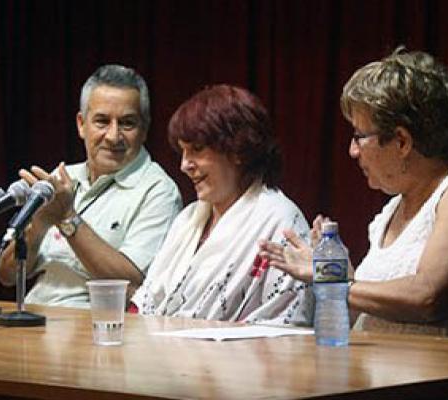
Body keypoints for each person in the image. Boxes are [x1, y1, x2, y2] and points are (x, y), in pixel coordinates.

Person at [259, 49, 448, 398]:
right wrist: (336, 273)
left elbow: (427, 297)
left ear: (402, 140)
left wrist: (335, 281)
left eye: (359, 136)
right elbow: (369, 317)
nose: (352, 151)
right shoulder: (388, 213)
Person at [0, 64, 182, 307]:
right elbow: (6, 276)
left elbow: (131, 282)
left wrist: (68, 219)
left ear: (145, 129)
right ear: (81, 125)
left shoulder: (159, 191)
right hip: (35, 318)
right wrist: (39, 224)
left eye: (127, 123)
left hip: (98, 329)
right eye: (102, 122)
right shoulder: (62, 178)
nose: (114, 136)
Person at [130, 84, 313, 325]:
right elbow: (145, 301)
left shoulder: (280, 221)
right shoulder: (188, 219)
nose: (184, 165)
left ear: (238, 150)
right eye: (182, 152)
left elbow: (286, 322)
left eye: (197, 150)